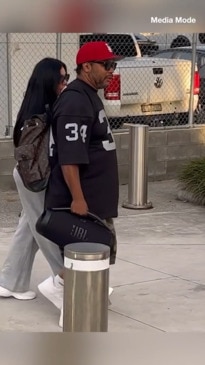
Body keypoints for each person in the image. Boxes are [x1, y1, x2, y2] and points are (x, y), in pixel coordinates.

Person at [38, 41, 123, 327]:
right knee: (89, 253)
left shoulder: (88, 95)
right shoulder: (75, 100)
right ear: (86, 66)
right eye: (107, 65)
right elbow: (70, 157)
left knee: (100, 252)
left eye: (114, 65)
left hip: (95, 197)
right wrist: (78, 198)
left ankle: (78, 297)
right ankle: (72, 309)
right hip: (83, 199)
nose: (112, 71)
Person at [0, 57, 69, 300]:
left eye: (67, 77)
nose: (65, 83)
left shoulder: (33, 108)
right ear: (48, 81)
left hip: (29, 175)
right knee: (43, 224)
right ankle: (63, 279)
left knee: (28, 225)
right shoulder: (45, 112)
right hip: (35, 178)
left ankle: (10, 281)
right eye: (61, 79)